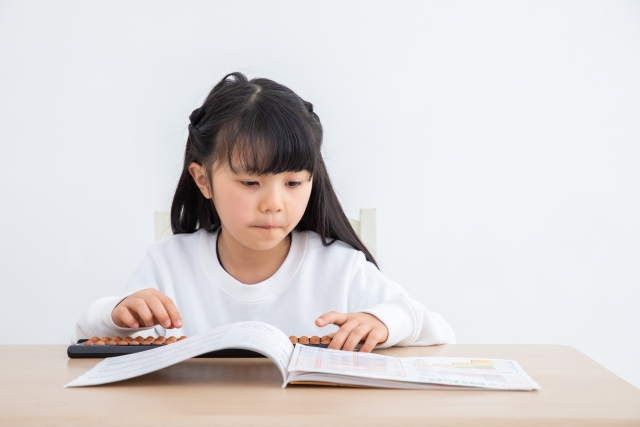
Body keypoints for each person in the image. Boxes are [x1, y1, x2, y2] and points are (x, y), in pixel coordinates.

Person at [74, 72, 455, 352]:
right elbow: (91, 336)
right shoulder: (168, 264)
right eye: (250, 182)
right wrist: (117, 313)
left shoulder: (340, 268)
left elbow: (437, 331)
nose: (274, 203)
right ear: (203, 180)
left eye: (294, 183)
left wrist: (382, 322)